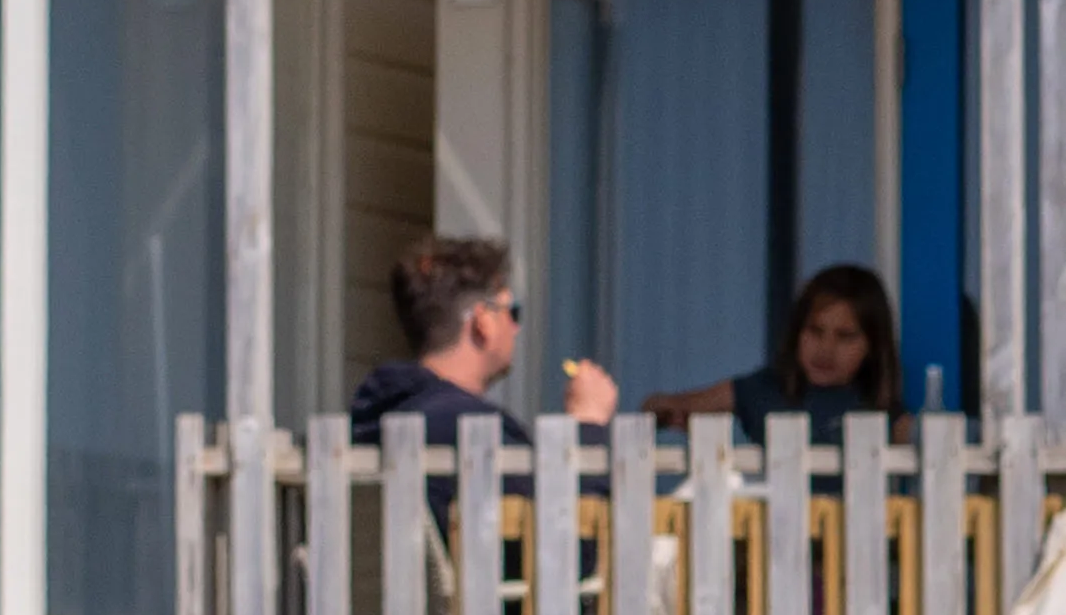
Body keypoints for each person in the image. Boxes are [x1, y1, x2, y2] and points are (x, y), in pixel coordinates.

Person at [353, 233, 619, 443]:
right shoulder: (474, 432)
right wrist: (589, 424)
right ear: (483, 322)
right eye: (511, 312)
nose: (515, 328)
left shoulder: (371, 420)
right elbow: (557, 509)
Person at [646, 261, 903, 434]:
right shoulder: (765, 391)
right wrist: (669, 413)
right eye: (815, 331)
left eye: (845, 336)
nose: (826, 349)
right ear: (797, 331)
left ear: (873, 346)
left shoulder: (880, 410)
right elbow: (658, 404)